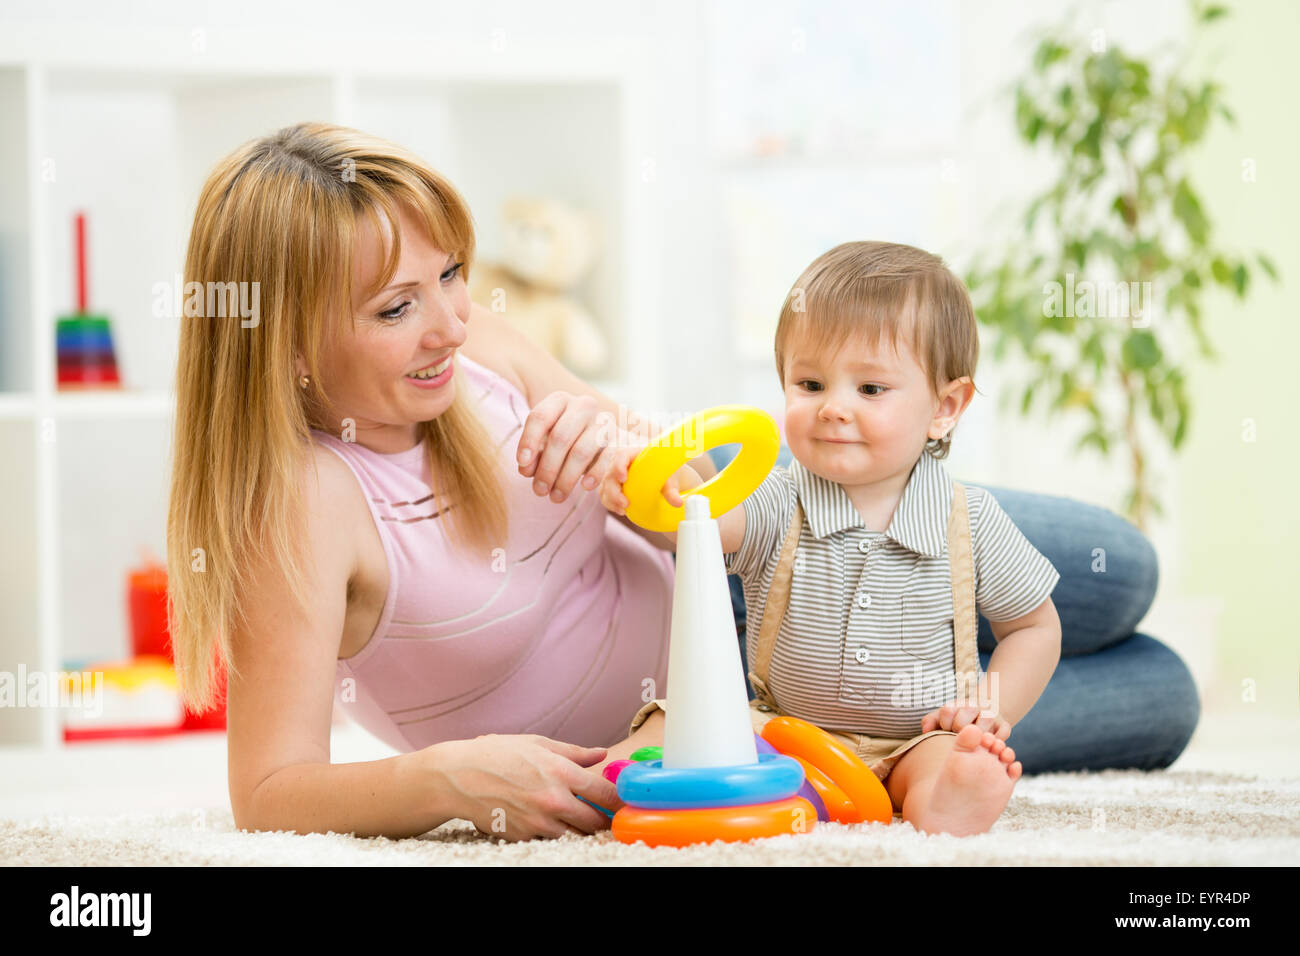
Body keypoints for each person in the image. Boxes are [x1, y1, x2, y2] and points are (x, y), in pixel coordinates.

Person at [167, 122, 1197, 844]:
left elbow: (687, 491)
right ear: (285, 342)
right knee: (1159, 696)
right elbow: (266, 789)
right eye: (396, 306)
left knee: (1119, 574)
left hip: (766, 552)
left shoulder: (472, 344)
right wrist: (448, 778)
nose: (448, 320)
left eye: (449, 275)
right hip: (744, 722)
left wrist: (620, 448)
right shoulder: (299, 506)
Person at [601, 241, 1193, 837]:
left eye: (871, 390)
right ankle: (614, 777)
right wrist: (650, 482)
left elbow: (1036, 628)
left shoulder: (972, 519)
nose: (832, 407)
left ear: (944, 407)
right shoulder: (780, 501)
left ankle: (947, 801)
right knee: (685, 723)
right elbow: (696, 522)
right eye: (809, 384)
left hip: (914, 739)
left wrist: (991, 706)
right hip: (784, 729)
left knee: (943, 762)